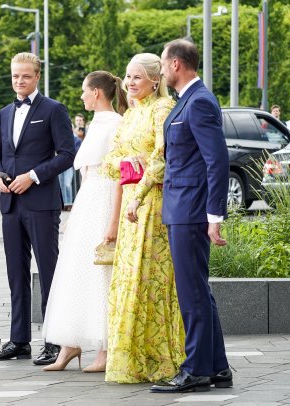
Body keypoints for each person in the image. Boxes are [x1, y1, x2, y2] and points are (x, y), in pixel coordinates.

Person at [150, 38, 232, 393]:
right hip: (181, 207)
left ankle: (196, 369)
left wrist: (215, 216)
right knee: (199, 291)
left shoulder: (198, 102)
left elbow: (217, 161)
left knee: (191, 293)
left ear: (176, 65)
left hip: (191, 210)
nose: (163, 70)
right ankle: (217, 368)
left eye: (165, 64)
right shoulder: (188, 101)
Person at [0, 52, 76, 365]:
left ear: (37, 76)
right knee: (15, 273)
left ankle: (54, 341)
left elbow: (66, 155)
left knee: (49, 272)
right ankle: (18, 340)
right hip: (9, 202)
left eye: (25, 76)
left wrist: (33, 176)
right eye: (15, 76)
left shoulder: (53, 109)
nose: (19, 81)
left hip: (40, 202)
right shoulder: (4, 113)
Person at [100, 52, 185, 383]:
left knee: (148, 280)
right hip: (130, 207)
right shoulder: (129, 115)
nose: (130, 82)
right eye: (127, 76)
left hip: (152, 203)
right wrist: (131, 163)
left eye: (137, 77)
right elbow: (109, 163)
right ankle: (135, 357)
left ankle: (160, 356)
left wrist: (137, 178)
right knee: (128, 280)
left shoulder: (161, 109)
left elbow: (163, 157)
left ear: (155, 80)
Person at [42, 71, 127, 372]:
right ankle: (71, 343)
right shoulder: (97, 123)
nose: (81, 97)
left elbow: (115, 173)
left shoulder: (116, 123)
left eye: (84, 91)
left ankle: (105, 348)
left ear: (96, 93)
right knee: (76, 268)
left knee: (99, 273)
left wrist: (113, 220)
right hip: (89, 198)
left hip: (103, 199)